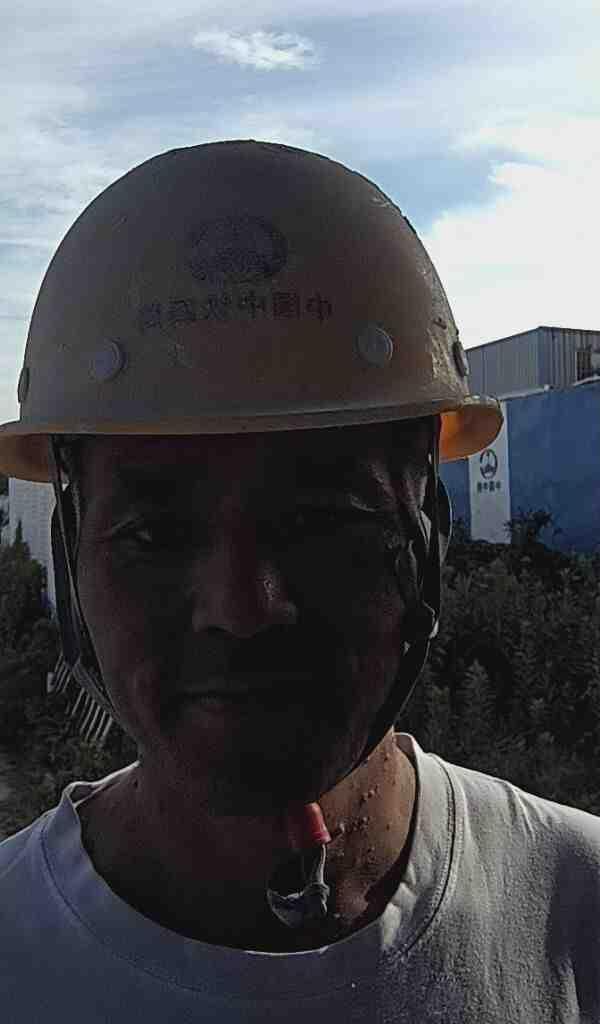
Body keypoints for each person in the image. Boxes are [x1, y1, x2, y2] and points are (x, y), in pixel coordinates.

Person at [0, 141, 598, 1021]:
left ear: (428, 533)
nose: (243, 609)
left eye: (324, 522)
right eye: (152, 534)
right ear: (71, 552)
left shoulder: (575, 912)